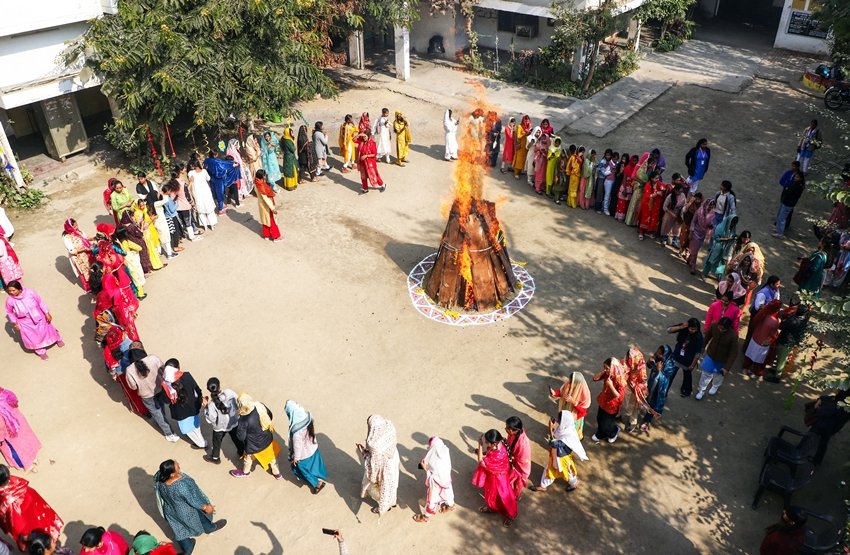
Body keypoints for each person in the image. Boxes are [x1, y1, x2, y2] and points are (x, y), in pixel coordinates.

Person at [154, 460, 225, 555]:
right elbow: (193, 500)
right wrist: (206, 507)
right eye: (177, 466)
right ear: (172, 474)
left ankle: (188, 548)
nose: (179, 465)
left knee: (178, 529)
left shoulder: (160, 481)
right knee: (201, 518)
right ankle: (210, 528)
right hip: (186, 510)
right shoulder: (181, 486)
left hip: (170, 510)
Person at [0, 465, 65, 553]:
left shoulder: (7, 498)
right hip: (34, 517)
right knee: (43, 538)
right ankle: (51, 547)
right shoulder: (15, 483)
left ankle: (50, 547)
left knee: (40, 541)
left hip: (30, 519)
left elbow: (15, 524)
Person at [125, 351, 179, 443]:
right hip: (160, 388)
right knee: (161, 408)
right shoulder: (153, 358)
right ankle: (163, 422)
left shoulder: (129, 370)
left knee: (157, 414)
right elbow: (164, 370)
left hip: (146, 396)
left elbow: (133, 386)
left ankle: (169, 434)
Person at [530, 410, 588, 493]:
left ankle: (574, 484)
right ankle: (543, 485)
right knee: (552, 470)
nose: (557, 421)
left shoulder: (567, 436)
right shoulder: (567, 428)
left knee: (564, 471)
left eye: (559, 420)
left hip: (561, 458)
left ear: (564, 422)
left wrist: (550, 429)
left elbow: (554, 443)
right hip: (557, 455)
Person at [4, 281, 63, 360]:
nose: (11, 292)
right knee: (32, 337)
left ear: (20, 289)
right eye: (9, 291)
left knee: (48, 330)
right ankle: (41, 351)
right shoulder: (10, 300)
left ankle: (57, 339)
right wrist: (15, 323)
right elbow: (9, 312)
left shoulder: (30, 292)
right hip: (25, 322)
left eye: (13, 290)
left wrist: (46, 313)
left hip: (38, 316)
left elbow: (40, 302)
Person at [472, 429, 517, 527]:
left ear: (494, 443)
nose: (486, 444)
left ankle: (511, 515)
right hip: (496, 476)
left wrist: (480, 445)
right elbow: (488, 454)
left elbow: (481, 462)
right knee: (493, 495)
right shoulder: (500, 444)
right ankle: (492, 508)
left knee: (504, 497)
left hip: (498, 479)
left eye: (487, 442)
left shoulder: (498, 455)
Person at [230, 394, 281, 480]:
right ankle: (277, 474)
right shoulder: (259, 405)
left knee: (248, 459)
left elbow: (241, 437)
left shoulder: (243, 419)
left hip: (253, 446)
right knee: (272, 458)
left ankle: (246, 472)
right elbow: (270, 415)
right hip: (267, 439)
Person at [357, 414, 399, 516]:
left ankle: (383, 505)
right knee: (392, 484)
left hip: (383, 468)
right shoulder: (389, 427)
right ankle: (393, 502)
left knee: (377, 488)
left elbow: (374, 466)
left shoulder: (373, 444)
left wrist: (363, 453)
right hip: (393, 459)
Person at [284, 400, 327, 494]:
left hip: (304, 455)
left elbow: (297, 447)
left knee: (304, 470)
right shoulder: (308, 418)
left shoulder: (296, 431)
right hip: (313, 448)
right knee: (314, 465)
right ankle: (320, 477)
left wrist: (296, 458)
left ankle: (317, 484)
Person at [160, 361, 206, 449]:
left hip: (180, 412)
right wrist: (200, 398)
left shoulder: (165, 385)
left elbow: (166, 401)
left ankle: (201, 444)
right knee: (196, 425)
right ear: (177, 368)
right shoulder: (186, 375)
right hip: (193, 406)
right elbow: (197, 388)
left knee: (188, 430)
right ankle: (201, 440)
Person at [413, 436, 454, 523]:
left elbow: (426, 466)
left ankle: (426, 517)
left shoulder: (432, 456)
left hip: (436, 482)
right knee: (448, 492)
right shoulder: (445, 450)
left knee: (432, 498)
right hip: (446, 479)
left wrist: (425, 468)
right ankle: (451, 505)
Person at [201, 378, 243, 465]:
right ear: (219, 385)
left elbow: (211, 419)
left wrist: (206, 408)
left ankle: (215, 458)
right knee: (236, 438)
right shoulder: (229, 392)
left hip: (220, 427)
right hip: (234, 422)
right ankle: (242, 452)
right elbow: (238, 401)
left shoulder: (212, 404)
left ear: (209, 389)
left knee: (217, 442)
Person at [696, 317, 738, 400]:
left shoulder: (733, 336)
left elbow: (733, 353)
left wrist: (727, 368)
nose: (720, 330)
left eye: (723, 329)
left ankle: (715, 386)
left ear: (728, 328)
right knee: (705, 373)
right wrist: (702, 347)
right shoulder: (714, 325)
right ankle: (701, 390)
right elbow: (707, 337)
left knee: (718, 375)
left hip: (722, 359)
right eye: (719, 327)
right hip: (711, 354)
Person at [806, 389, 850, 465]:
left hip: (833, 418)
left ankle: (802, 452)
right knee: (824, 438)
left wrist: (823, 403)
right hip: (837, 418)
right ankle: (817, 460)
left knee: (817, 434)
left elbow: (838, 400)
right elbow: (837, 397)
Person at [639, 345, 678, 433]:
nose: (658, 354)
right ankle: (646, 409)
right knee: (648, 397)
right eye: (658, 352)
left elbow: (666, 377)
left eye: (661, 353)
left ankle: (647, 420)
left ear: (666, 354)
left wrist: (659, 370)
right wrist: (649, 362)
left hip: (660, 387)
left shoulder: (670, 364)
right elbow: (650, 366)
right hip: (652, 383)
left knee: (654, 402)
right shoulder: (657, 357)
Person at [0, 388, 40, 472]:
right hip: (19, 424)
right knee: (27, 441)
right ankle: (34, 458)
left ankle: (29, 466)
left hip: (10, 434)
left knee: (18, 452)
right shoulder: (4, 394)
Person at [742, 300, 782, 378]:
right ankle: (756, 372)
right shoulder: (774, 321)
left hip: (755, 338)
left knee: (749, 355)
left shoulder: (762, 313)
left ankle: (745, 368)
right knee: (759, 360)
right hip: (763, 342)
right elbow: (774, 335)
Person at [666, 319, 704, 398]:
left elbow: (697, 353)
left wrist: (692, 365)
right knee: (670, 375)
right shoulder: (683, 328)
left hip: (688, 361)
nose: (693, 331)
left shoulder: (699, 337)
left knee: (687, 376)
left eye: (695, 329)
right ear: (688, 326)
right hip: (677, 357)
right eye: (691, 328)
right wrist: (681, 327)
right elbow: (669, 330)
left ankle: (686, 390)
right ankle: (664, 391)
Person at [592, 357, 626, 443]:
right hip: (603, 400)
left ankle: (614, 432)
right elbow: (595, 378)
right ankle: (601, 433)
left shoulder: (621, 380)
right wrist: (603, 372)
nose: (605, 370)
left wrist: (611, 386)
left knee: (606, 424)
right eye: (604, 367)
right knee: (599, 418)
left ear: (613, 368)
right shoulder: (607, 374)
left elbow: (619, 396)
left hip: (612, 405)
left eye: (607, 368)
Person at [550, 371, 591, 438]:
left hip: (574, 418)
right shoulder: (568, 384)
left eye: (571, 382)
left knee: (571, 434)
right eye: (570, 380)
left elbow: (583, 411)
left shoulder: (584, 394)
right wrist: (554, 393)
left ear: (577, 383)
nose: (569, 383)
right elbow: (561, 393)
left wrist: (573, 402)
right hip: (564, 412)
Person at [703, 214, 739, 279]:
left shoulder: (733, 229)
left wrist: (734, 238)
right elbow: (716, 238)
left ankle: (719, 277)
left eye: (734, 223)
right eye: (732, 222)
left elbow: (732, 237)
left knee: (722, 263)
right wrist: (726, 239)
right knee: (711, 260)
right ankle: (705, 273)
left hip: (726, 249)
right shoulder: (720, 227)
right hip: (717, 247)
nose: (732, 224)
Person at [62, 218, 94, 291]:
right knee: (84, 272)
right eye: (75, 226)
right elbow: (72, 251)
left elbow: (86, 238)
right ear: (70, 227)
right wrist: (84, 250)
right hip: (79, 257)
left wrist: (94, 238)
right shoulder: (67, 238)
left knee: (92, 267)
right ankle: (89, 287)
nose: (77, 227)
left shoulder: (79, 231)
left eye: (77, 225)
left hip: (88, 252)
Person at [113, 228, 146, 299]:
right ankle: (140, 294)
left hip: (125, 263)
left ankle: (136, 293)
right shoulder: (127, 242)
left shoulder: (116, 244)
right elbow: (139, 248)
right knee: (137, 276)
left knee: (133, 277)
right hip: (132, 261)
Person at [622, 346, 648, 433]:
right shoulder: (628, 357)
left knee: (635, 407)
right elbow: (625, 367)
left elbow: (643, 382)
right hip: (627, 383)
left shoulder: (641, 370)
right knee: (622, 400)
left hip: (636, 389)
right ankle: (619, 414)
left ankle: (633, 422)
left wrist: (641, 393)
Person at [504, 416, 530, 499]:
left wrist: (510, 457)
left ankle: (516, 496)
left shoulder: (523, 443)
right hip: (514, 460)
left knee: (518, 482)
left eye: (507, 428)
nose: (505, 429)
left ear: (513, 430)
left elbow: (523, 460)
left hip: (520, 467)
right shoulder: (514, 434)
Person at [687, 198, 715, 274]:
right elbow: (693, 221)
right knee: (695, 250)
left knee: (695, 250)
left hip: (702, 234)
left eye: (713, 206)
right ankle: (693, 266)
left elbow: (711, 224)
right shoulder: (699, 211)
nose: (711, 207)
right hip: (695, 232)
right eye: (710, 205)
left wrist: (711, 226)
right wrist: (691, 231)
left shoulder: (712, 214)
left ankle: (690, 258)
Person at [254, 169, 282, 242]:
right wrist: (272, 208)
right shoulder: (261, 186)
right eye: (264, 175)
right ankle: (276, 237)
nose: (265, 176)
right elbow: (266, 198)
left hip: (261, 204)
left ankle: (266, 235)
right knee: (271, 220)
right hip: (266, 205)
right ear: (262, 176)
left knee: (265, 220)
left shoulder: (256, 183)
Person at [187, 162, 216, 231]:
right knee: (209, 208)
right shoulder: (204, 171)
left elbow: (190, 180)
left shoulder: (191, 173)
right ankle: (212, 225)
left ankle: (204, 225)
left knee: (200, 209)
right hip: (206, 191)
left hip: (197, 192)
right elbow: (208, 178)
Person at [637, 172, 666, 240]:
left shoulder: (659, 184)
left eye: (658, 178)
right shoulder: (648, 185)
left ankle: (648, 231)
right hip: (647, 205)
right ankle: (641, 232)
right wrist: (657, 193)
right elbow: (648, 196)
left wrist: (662, 191)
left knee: (653, 218)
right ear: (651, 178)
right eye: (656, 178)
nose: (657, 179)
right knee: (645, 218)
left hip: (655, 205)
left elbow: (663, 188)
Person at [356, 129, 385, 194]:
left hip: (370, 163)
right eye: (363, 136)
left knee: (374, 175)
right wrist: (359, 135)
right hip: (362, 162)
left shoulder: (372, 143)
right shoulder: (361, 142)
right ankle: (365, 188)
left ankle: (382, 185)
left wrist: (366, 156)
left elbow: (374, 154)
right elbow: (353, 140)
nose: (364, 138)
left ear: (368, 136)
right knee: (363, 176)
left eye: (365, 136)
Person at [660, 181, 687, 247]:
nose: (680, 193)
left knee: (677, 228)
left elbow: (684, 204)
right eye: (679, 191)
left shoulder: (683, 195)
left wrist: (682, 211)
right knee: (667, 227)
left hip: (678, 214)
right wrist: (672, 214)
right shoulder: (670, 197)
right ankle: (664, 239)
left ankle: (674, 241)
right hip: (669, 214)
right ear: (675, 190)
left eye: (681, 191)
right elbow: (664, 207)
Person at [615, 154, 637, 220]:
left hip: (630, 187)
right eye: (633, 160)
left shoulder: (635, 168)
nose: (634, 162)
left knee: (626, 203)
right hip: (625, 186)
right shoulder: (627, 167)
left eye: (636, 161)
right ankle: (619, 217)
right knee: (622, 202)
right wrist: (624, 189)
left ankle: (623, 217)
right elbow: (624, 179)